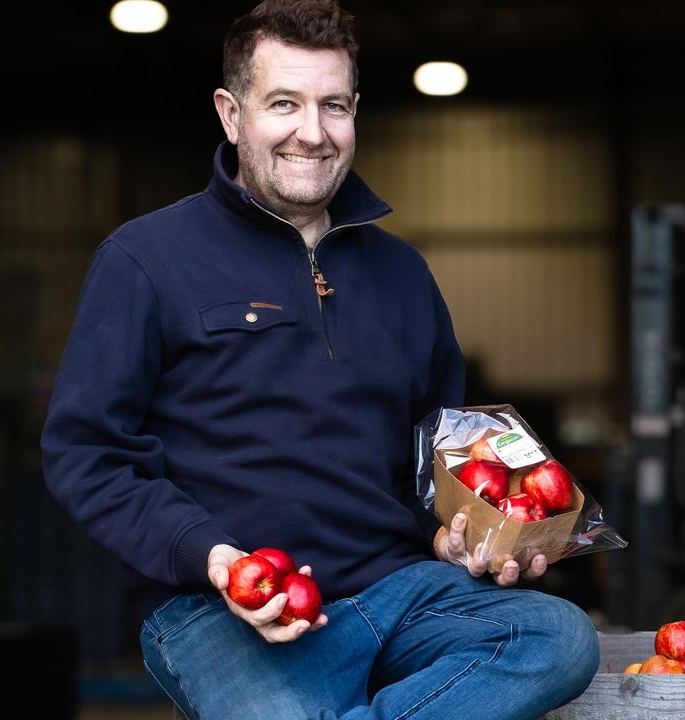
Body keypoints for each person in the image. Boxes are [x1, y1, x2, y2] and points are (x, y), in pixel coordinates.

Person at [39, 1, 599, 717]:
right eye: (283, 103)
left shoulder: (402, 275)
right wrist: (213, 558)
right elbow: (86, 452)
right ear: (230, 113)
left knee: (556, 637)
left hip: (398, 590)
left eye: (333, 105)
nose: (313, 132)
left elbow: (437, 459)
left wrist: (463, 534)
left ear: (355, 109)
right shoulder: (145, 261)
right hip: (221, 610)